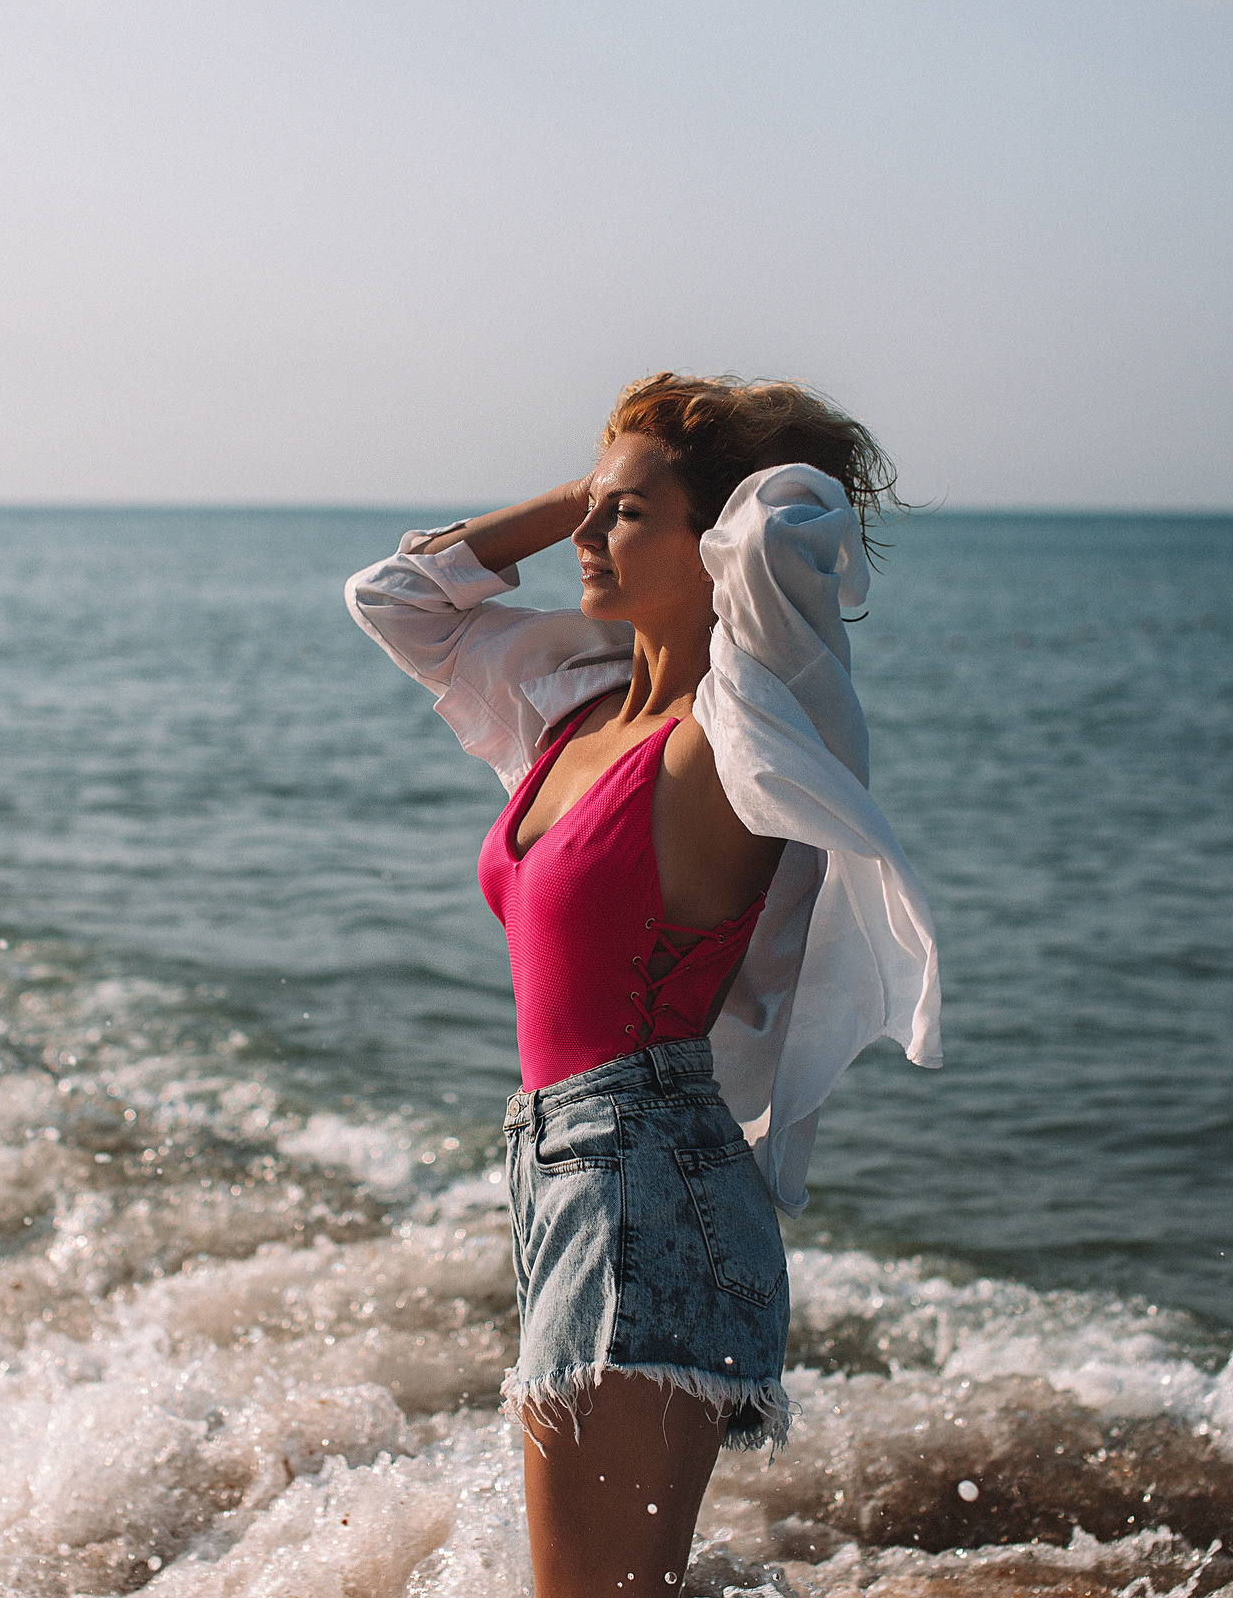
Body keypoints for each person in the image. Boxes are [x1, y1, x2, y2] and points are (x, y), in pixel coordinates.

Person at [344, 373, 941, 1597]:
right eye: (590, 509)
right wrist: (604, 480)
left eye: (622, 516)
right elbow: (395, 599)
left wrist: (696, 479)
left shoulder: (737, 735)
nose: (582, 537)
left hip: (647, 1182)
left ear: (717, 542)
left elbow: (782, 523)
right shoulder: (576, 706)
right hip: (569, 1179)